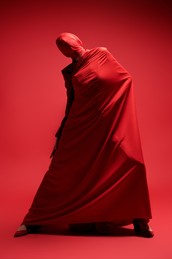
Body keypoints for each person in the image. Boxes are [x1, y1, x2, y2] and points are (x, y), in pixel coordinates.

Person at [14, 32, 153, 238]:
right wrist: (62, 130)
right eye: (61, 46)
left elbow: (125, 78)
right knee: (62, 169)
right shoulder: (70, 71)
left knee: (131, 163)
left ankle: (140, 219)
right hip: (80, 125)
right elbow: (72, 100)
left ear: (78, 41)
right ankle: (34, 220)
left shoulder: (101, 54)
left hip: (107, 123)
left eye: (68, 42)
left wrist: (111, 107)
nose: (66, 46)